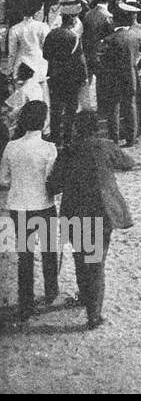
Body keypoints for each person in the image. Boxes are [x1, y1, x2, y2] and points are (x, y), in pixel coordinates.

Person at [48, 112, 134, 330]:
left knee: (80, 257)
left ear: (76, 129)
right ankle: (93, 315)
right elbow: (128, 163)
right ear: (97, 127)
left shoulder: (68, 152)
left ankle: (86, 297)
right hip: (101, 212)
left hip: (75, 212)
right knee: (96, 262)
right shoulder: (106, 146)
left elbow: (54, 186)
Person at [0, 101, 60, 322]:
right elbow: (51, 181)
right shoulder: (49, 149)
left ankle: (25, 302)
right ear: (43, 121)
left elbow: (4, 179)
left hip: (18, 207)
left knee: (24, 256)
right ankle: (51, 291)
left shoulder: (11, 147)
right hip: (43, 205)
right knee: (49, 251)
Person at [95, 0, 141, 146]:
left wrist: (105, 70)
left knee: (114, 108)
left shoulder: (109, 40)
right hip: (131, 76)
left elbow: (98, 58)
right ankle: (131, 138)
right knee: (131, 106)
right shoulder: (135, 37)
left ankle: (114, 139)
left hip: (113, 78)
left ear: (115, 21)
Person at [42, 0, 88, 146]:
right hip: (71, 78)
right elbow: (80, 60)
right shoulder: (73, 37)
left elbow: (45, 55)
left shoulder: (52, 34)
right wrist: (84, 78)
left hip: (55, 76)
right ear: (73, 20)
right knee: (70, 109)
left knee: (55, 108)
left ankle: (55, 138)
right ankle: (67, 138)